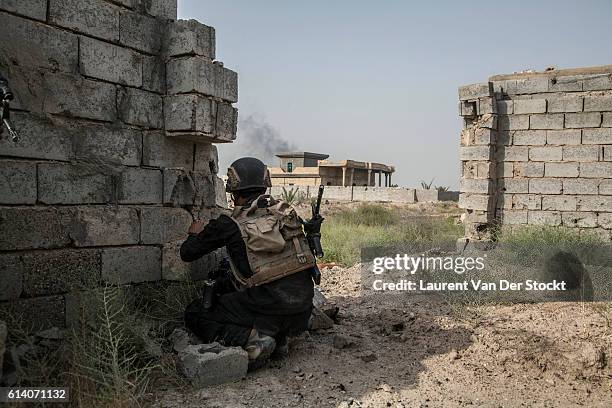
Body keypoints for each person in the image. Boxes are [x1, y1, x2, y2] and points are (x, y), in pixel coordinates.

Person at [180, 157, 320, 369]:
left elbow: (187, 253)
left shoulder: (229, 224)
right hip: (302, 311)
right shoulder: (286, 214)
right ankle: (283, 336)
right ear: (265, 185)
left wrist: (194, 234)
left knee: (195, 312)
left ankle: (253, 340)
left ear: (234, 192)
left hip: (269, 308)